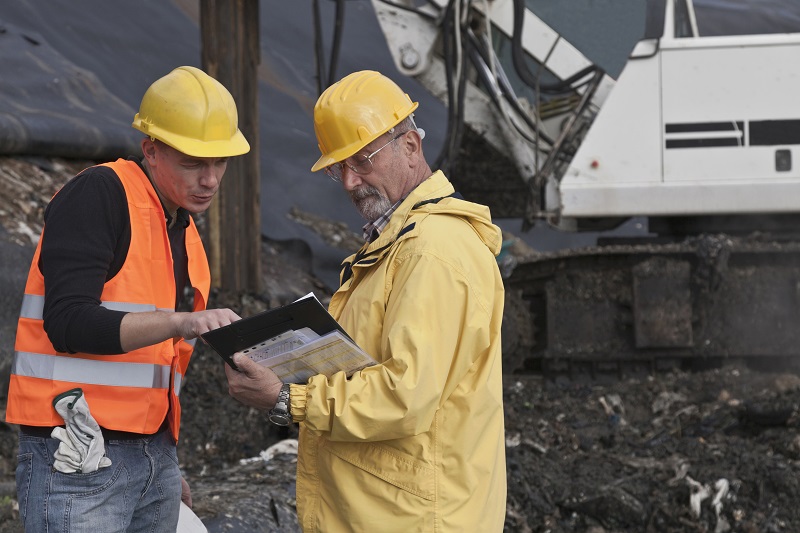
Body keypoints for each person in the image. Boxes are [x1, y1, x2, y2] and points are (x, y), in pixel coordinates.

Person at [225, 70, 507, 531]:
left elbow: (405, 395)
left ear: (411, 146)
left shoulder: (432, 252)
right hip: (389, 511)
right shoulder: (399, 245)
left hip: (415, 518)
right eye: (340, 168)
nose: (351, 182)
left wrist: (288, 399)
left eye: (363, 160)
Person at [7, 65, 248, 533]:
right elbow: (68, 321)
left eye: (220, 162)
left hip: (147, 457)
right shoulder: (100, 194)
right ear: (151, 150)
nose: (211, 179)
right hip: (76, 456)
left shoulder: (179, 227)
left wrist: (159, 459)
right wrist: (179, 321)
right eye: (194, 162)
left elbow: (160, 369)